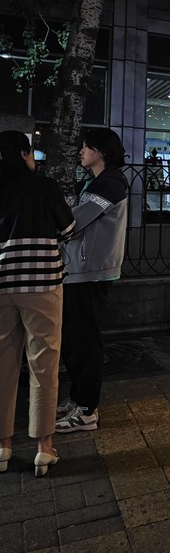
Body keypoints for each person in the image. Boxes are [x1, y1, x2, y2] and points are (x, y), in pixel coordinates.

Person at [0, 130, 75, 476]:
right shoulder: (44, 186)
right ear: (24, 153)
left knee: (3, 365)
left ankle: (3, 446)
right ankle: (44, 448)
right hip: (42, 285)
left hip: (2, 284)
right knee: (44, 364)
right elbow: (68, 228)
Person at [56, 128, 128, 434]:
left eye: (86, 147)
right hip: (82, 270)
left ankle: (86, 411)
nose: (81, 151)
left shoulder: (110, 184)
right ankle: (79, 399)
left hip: (91, 272)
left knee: (84, 341)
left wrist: (54, 223)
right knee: (75, 339)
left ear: (101, 151)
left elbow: (74, 222)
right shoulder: (96, 182)